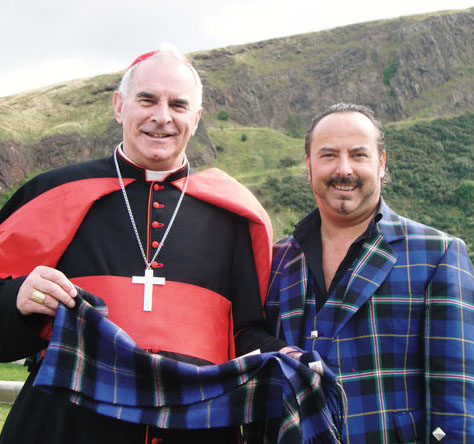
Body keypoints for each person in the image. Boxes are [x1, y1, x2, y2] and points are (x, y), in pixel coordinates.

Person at [0, 45, 296, 444]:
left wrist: (283, 358)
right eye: (147, 100)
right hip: (65, 426)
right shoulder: (52, 193)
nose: (162, 117)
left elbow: (244, 331)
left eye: (178, 104)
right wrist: (18, 300)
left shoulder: (232, 215)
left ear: (196, 118)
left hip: (194, 427)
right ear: (119, 106)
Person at [265, 103, 474, 443]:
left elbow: (457, 402)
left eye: (358, 155)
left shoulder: (438, 253)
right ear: (309, 165)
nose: (343, 169)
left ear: (381, 163)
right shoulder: (278, 259)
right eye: (329, 155)